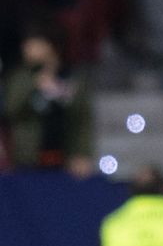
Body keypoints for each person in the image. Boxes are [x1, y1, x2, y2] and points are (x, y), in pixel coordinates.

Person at [2, 28, 94, 177]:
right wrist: (35, 85)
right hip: (28, 160)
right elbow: (11, 110)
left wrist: (83, 153)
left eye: (33, 44)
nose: (26, 49)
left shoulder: (72, 78)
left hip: (66, 160)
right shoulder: (20, 78)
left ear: (50, 45)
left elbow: (83, 120)